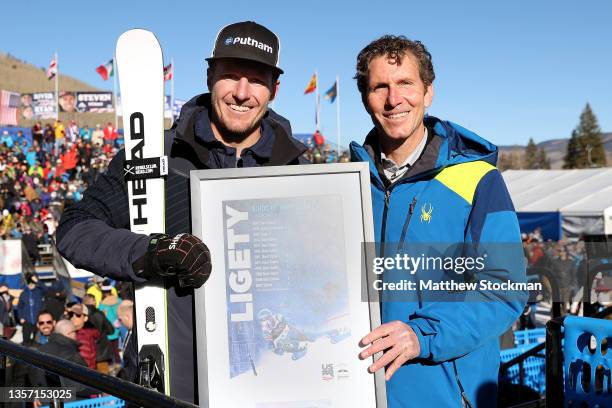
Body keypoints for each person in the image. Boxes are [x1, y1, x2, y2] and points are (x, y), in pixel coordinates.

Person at [57, 21, 306, 403]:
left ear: (274, 89)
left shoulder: (300, 171)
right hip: (171, 382)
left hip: (268, 379)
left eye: (256, 80)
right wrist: (151, 252)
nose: (241, 93)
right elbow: (74, 230)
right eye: (230, 76)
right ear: (210, 77)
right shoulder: (155, 156)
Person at [351, 36, 526, 407]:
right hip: (357, 389)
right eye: (379, 86)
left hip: (443, 395)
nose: (393, 98)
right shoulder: (345, 182)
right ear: (365, 98)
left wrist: (421, 335)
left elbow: (503, 290)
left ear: (428, 92)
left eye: (405, 84)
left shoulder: (478, 180)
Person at [16, 273, 45, 345]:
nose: (31, 285)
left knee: (37, 341)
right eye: (29, 283)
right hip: (27, 320)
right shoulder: (23, 293)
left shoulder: (39, 292)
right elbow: (19, 307)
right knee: (26, 341)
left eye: (33, 283)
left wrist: (37, 281)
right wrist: (21, 317)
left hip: (38, 320)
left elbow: (46, 289)